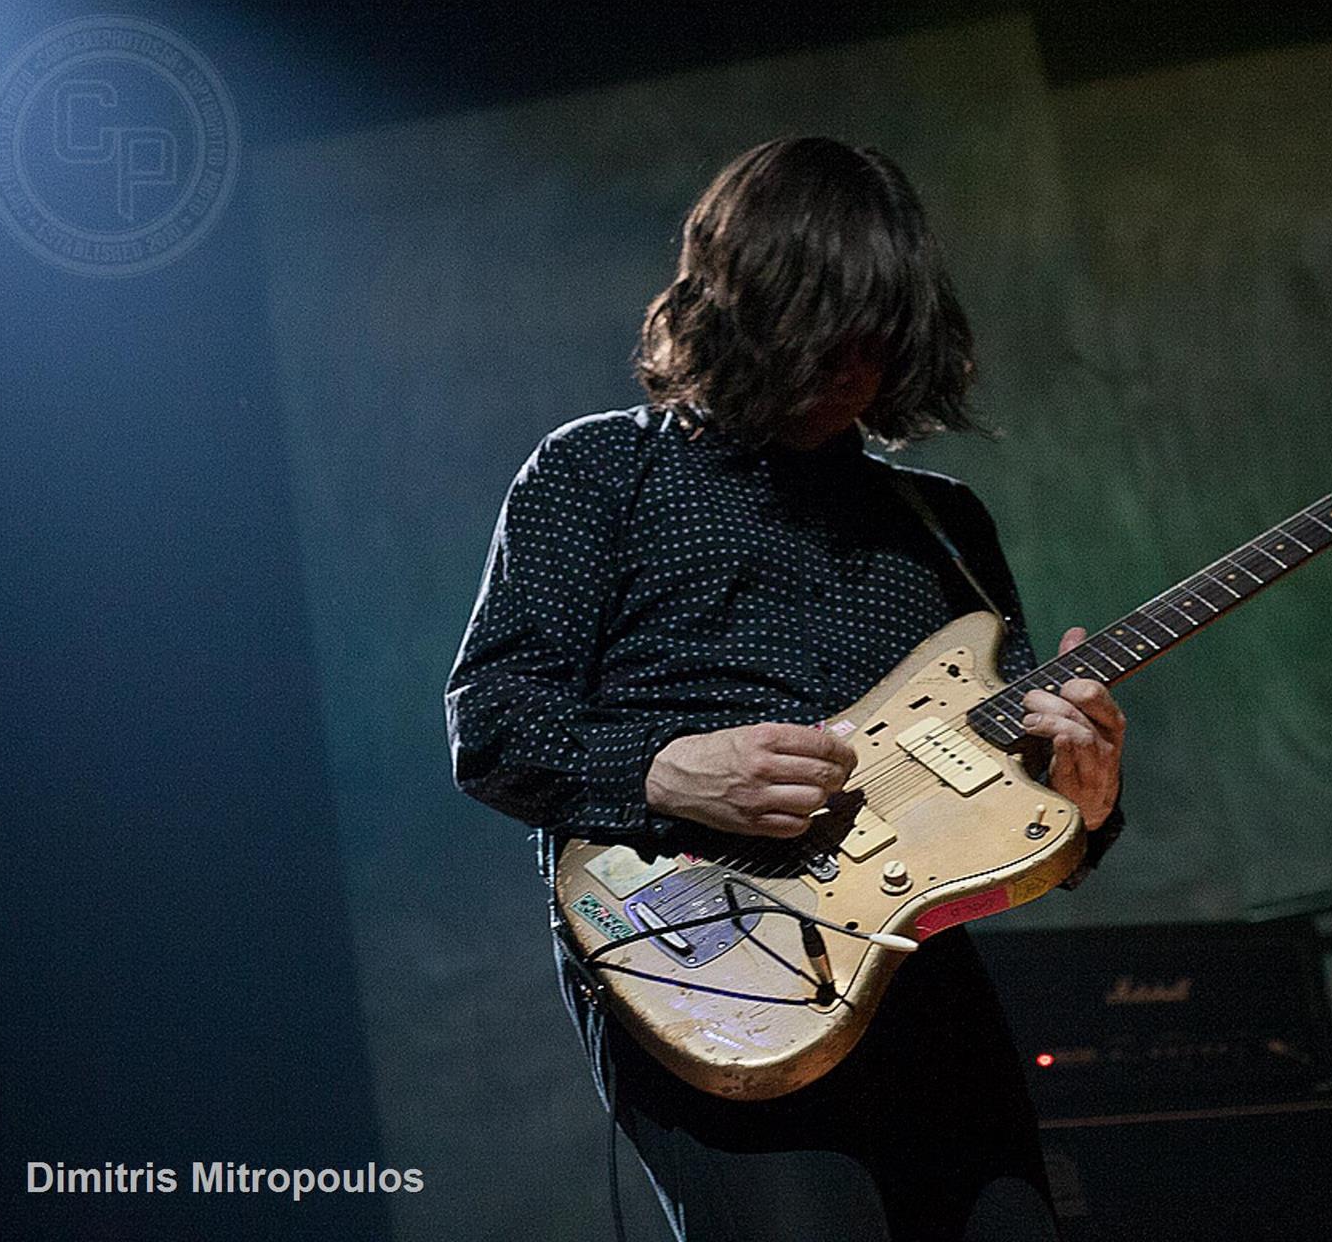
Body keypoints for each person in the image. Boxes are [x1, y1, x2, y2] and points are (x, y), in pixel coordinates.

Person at [445, 136, 1128, 1242]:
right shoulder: (597, 472)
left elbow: (1015, 807)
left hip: (920, 973)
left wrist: (1085, 801)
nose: (852, 364)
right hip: (701, 951)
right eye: (823, 328)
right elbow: (493, 722)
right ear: (735, 303)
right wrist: (670, 769)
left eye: (876, 332)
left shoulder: (943, 525)